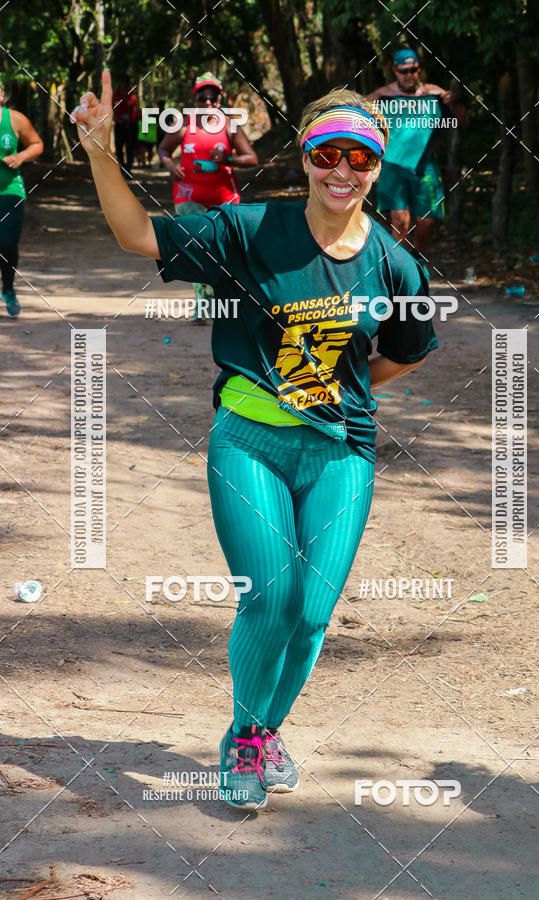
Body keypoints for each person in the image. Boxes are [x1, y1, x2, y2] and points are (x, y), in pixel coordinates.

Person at [72, 71, 438, 811]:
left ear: (377, 164)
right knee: (271, 597)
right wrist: (100, 153)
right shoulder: (248, 229)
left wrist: (340, 391)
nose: (343, 171)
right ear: (304, 157)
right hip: (248, 445)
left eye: (360, 159)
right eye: (328, 154)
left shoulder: (397, 265)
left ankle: (266, 729)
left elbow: (406, 350)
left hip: (342, 454)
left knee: (311, 612)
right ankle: (243, 737)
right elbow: (136, 235)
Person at [158, 73, 257, 322]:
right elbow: (163, 148)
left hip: (224, 200)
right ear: (195, 100)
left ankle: (225, 305)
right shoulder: (182, 124)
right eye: (203, 98)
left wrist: (227, 159)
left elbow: (252, 158)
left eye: (213, 98)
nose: (208, 103)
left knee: (222, 252)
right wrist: (170, 165)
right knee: (196, 248)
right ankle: (203, 306)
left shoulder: (230, 126)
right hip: (188, 197)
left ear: (220, 99)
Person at [368, 48, 467, 263]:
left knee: (427, 221)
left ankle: (416, 259)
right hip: (392, 165)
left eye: (412, 70)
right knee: (400, 220)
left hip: (425, 165)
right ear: (395, 70)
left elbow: (461, 121)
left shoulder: (435, 94)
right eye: (403, 71)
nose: (408, 74)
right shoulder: (381, 96)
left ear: (418, 69)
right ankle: (400, 268)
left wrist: (457, 102)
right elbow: (357, 117)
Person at [0, 89, 43, 317]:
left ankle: (8, 289)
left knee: (7, 243)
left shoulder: (15, 119)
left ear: (1, 94)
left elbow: (36, 143)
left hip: (10, 190)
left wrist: (21, 157)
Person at [113, 79, 139, 174]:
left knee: (130, 148)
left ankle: (128, 169)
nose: (123, 84)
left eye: (125, 82)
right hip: (119, 125)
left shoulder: (133, 95)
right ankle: (122, 166)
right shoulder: (115, 95)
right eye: (121, 82)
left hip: (131, 126)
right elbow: (112, 108)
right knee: (118, 148)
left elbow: (137, 110)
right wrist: (116, 118)